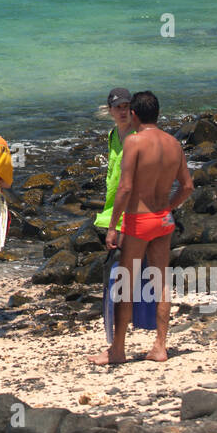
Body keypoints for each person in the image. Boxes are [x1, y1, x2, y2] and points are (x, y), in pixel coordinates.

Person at [90, 91, 193, 365]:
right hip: (163, 220)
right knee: (161, 284)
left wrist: (113, 227)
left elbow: (124, 188)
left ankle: (119, 349)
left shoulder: (134, 142)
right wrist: (168, 208)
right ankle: (160, 346)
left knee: (126, 283)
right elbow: (187, 186)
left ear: (134, 114)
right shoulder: (173, 143)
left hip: (138, 220)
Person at [93, 88, 135, 241]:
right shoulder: (112, 135)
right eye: (118, 108)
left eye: (126, 107)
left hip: (133, 210)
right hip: (112, 209)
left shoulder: (138, 135)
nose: (123, 112)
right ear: (110, 110)